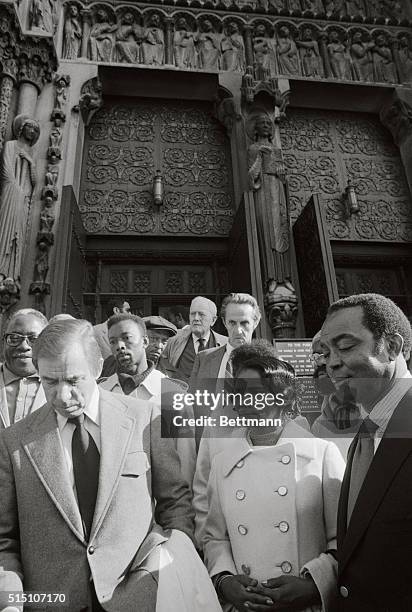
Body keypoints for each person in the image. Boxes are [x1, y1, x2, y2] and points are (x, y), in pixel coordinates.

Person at [0, 319, 221, 612]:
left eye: (73, 380)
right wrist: (12, 603)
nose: (62, 395)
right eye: (49, 382)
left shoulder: (147, 420)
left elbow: (176, 505)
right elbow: (5, 540)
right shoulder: (13, 441)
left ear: (95, 368)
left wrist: (164, 565)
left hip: (141, 599)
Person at [203, 345, 345, 611]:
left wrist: (313, 583)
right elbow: (215, 538)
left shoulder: (322, 454)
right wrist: (225, 581)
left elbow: (343, 539)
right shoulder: (223, 463)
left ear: (283, 398)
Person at [320, 293, 412, 611]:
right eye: (326, 351)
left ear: (392, 347)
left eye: (344, 347)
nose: (331, 362)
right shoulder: (366, 433)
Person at [99, 314, 196, 486]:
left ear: (144, 342)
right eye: (113, 342)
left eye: (127, 339)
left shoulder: (173, 394)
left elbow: (185, 462)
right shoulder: (101, 392)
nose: (120, 346)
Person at [0, 115, 40, 283]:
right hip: (11, 195)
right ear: (22, 128)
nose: (33, 131)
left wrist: (30, 162)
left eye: (35, 130)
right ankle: (2, 271)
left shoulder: (32, 152)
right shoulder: (10, 145)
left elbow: (35, 181)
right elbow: (5, 171)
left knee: (20, 234)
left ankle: (13, 274)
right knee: (6, 231)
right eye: (30, 127)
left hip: (24, 199)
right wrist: (17, 190)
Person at [311, 330, 363, 459]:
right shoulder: (320, 424)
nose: (321, 361)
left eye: (326, 354)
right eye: (317, 356)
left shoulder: (374, 407)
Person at [159, 296, 227, 383]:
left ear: (213, 320)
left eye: (201, 314)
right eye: (193, 314)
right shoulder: (172, 338)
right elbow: (159, 363)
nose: (196, 318)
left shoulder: (226, 343)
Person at [0, 308, 47, 430]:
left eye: (34, 339)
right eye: (14, 338)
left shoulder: (61, 385)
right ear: (3, 342)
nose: (24, 346)